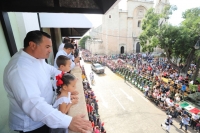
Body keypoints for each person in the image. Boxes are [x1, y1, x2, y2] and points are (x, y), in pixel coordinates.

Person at [3, 30, 92, 133]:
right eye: (47, 47)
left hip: (45, 115)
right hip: (32, 125)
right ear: (32, 45)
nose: (50, 50)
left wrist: (68, 84)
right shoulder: (20, 69)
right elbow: (33, 104)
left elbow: (53, 71)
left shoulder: (37, 59)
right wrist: (68, 121)